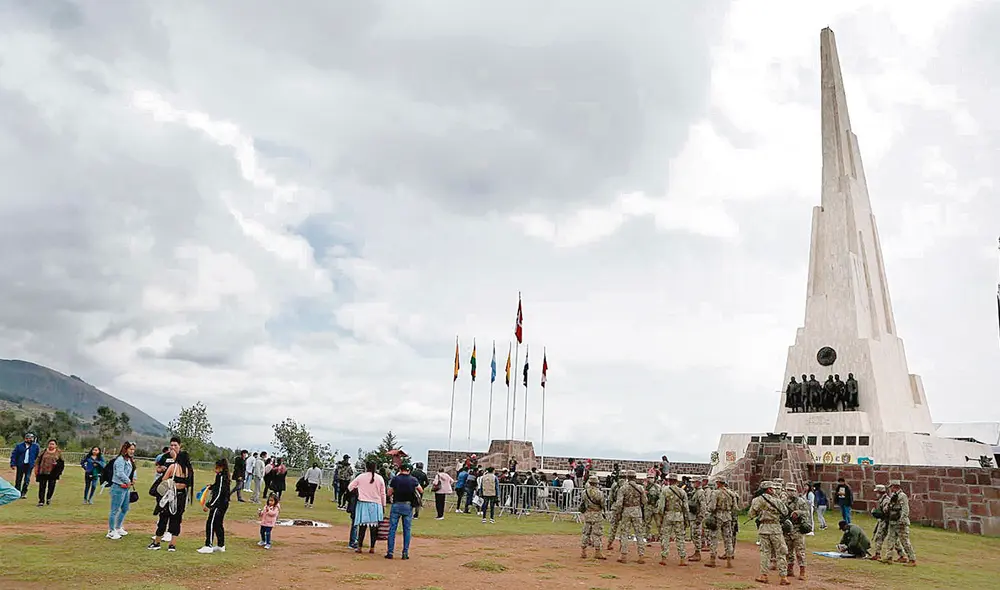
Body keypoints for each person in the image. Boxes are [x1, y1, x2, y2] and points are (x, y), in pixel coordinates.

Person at [746, 481, 789, 585]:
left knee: (765, 553)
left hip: (763, 528)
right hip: (776, 528)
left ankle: (763, 575)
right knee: (781, 552)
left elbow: (751, 514)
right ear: (769, 489)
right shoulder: (777, 501)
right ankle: (783, 577)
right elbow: (785, 512)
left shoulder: (757, 500)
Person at [149, 450, 193, 552]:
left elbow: (164, 479)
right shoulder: (189, 470)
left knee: (163, 519)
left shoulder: (173, 467)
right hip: (181, 497)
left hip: (171, 496)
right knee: (176, 520)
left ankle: (157, 542)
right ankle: (172, 545)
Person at [385, 462, 422, 560]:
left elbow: (389, 493)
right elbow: (421, 490)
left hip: (396, 504)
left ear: (400, 470)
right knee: (407, 529)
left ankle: (390, 552)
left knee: (392, 529)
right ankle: (405, 552)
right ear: (409, 470)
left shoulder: (395, 479)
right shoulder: (413, 479)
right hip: (408, 505)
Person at [348, 461, 387, 554]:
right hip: (376, 504)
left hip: (363, 504)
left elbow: (350, 487)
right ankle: (372, 547)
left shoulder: (361, 476)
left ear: (366, 467)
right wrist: (383, 505)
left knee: (362, 527)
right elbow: (383, 493)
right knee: (374, 528)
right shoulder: (379, 478)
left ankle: (359, 547)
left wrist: (358, 491)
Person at [704, 477, 739, 569]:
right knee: (728, 538)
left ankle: (712, 559)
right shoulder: (731, 494)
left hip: (717, 516)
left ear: (718, 483)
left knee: (714, 537)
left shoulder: (715, 493)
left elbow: (712, 507)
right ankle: (729, 560)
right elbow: (735, 507)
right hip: (728, 516)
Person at [198, 458, 231, 554]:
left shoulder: (222, 477)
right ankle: (221, 545)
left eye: (216, 468)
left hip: (219, 504)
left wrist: (209, 505)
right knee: (218, 524)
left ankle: (208, 545)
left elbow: (220, 493)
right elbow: (218, 486)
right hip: (222, 503)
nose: (214, 469)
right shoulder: (221, 476)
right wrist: (211, 486)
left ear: (221, 468)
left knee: (211, 523)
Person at [614, 469, 647, 564]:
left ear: (627, 478)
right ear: (635, 477)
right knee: (639, 534)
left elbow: (619, 503)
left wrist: (618, 513)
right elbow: (645, 501)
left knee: (624, 533)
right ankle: (641, 555)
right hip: (637, 511)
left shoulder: (623, 488)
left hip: (626, 511)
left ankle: (623, 555)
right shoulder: (640, 488)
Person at [882, 480, 917, 566]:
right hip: (893, 521)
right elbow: (891, 507)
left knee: (904, 541)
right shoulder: (894, 496)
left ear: (894, 486)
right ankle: (888, 557)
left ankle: (912, 559)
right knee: (890, 539)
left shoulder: (902, 496)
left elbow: (905, 509)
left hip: (900, 522)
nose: (891, 489)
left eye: (891, 487)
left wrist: (902, 519)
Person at [107, 441, 137, 540]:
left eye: (133, 449)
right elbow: (119, 473)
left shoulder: (130, 460)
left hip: (126, 488)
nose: (132, 451)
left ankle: (118, 527)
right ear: (125, 449)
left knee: (125, 508)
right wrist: (128, 481)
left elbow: (133, 470)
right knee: (114, 510)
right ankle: (111, 531)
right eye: (130, 449)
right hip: (118, 487)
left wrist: (133, 479)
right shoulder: (120, 460)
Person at [658, 473, 689, 566]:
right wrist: (686, 519)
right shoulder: (682, 492)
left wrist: (661, 516)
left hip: (668, 515)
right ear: (676, 481)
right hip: (679, 516)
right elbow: (686, 508)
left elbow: (661, 507)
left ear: (669, 480)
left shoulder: (665, 491)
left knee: (665, 537)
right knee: (680, 537)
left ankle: (664, 557)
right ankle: (682, 558)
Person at [870, 484, 906, 563]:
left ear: (880, 492)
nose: (876, 494)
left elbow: (887, 512)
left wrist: (878, 513)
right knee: (893, 540)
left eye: (877, 492)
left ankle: (878, 554)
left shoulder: (886, 500)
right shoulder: (882, 499)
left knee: (880, 537)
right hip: (884, 521)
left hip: (885, 521)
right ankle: (902, 555)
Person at [783, 482, 810, 580]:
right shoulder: (783, 502)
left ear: (795, 491)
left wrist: (798, 513)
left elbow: (807, 513)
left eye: (792, 490)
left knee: (800, 552)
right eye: (788, 490)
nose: (790, 492)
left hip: (798, 530)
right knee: (788, 551)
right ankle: (789, 570)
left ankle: (802, 572)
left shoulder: (801, 502)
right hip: (787, 530)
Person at [580, 474, 607, 559]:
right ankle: (597, 552)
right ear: (596, 483)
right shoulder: (599, 493)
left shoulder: (584, 492)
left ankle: (583, 552)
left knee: (586, 533)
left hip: (588, 514)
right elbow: (603, 504)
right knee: (597, 533)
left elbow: (583, 503)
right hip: (597, 514)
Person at [34, 439, 64, 507]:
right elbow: (38, 461)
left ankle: (48, 498)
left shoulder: (58, 452)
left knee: (51, 486)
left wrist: (57, 465)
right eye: (50, 444)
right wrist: (36, 469)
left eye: (53, 444)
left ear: (56, 445)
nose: (51, 445)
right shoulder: (43, 451)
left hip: (53, 473)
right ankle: (41, 501)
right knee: (42, 487)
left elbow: (62, 463)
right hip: (43, 472)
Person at [9, 432, 40, 499]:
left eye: (32, 438)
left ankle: (24, 493)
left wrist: (34, 462)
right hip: (20, 465)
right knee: (18, 480)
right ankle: (17, 493)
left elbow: (37, 455)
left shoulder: (36, 446)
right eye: (30, 438)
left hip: (29, 465)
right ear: (26, 439)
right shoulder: (19, 446)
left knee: (27, 480)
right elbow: (14, 455)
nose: (31, 440)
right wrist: (13, 464)